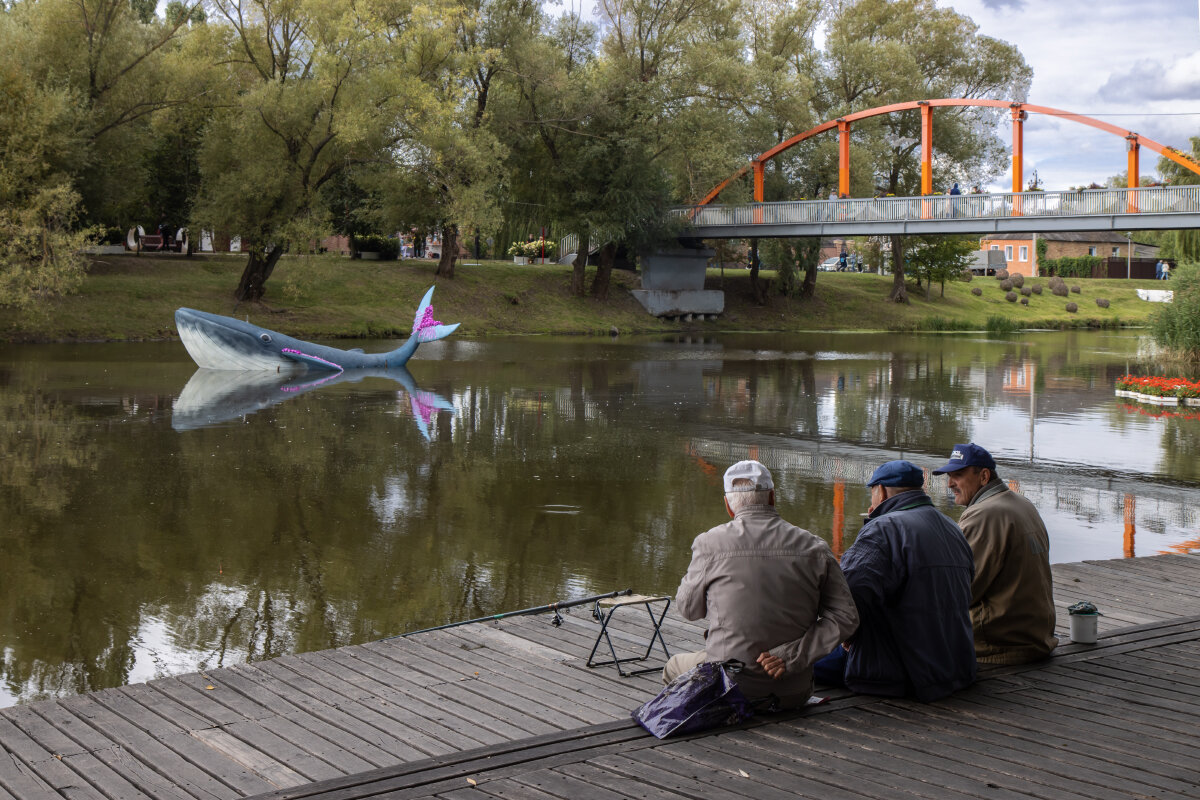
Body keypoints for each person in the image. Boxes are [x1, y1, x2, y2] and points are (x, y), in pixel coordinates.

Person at [666, 460, 859, 708]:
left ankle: (706, 715)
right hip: (793, 694)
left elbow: (689, 610)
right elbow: (847, 618)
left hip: (730, 687)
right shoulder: (815, 547)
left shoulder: (709, 543)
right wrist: (791, 657)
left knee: (673, 666)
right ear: (772, 497)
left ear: (728, 505)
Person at [813, 461, 976, 702]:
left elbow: (845, 598)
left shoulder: (883, 528)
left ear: (881, 490)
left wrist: (847, 635)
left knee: (793, 659)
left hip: (901, 672)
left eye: (872, 492)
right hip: (954, 666)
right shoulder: (953, 528)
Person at [932, 444, 1057, 665]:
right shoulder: (1021, 503)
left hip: (999, 644)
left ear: (984, 476)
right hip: (1034, 635)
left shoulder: (983, 515)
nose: (950, 483)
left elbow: (960, 590)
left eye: (958, 475)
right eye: (949, 476)